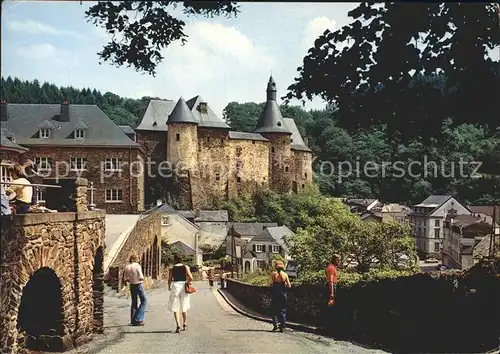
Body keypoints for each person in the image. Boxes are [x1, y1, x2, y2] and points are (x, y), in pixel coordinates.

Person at [168, 254, 194, 333]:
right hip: (183, 286)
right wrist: (188, 282)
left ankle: (178, 325)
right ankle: (185, 323)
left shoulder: (171, 268)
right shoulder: (186, 267)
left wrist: (169, 287)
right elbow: (191, 278)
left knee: (175, 306)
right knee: (184, 305)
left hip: (175, 286)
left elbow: (169, 279)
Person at [123, 255, 147, 326]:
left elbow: (125, 278)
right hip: (138, 285)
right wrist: (141, 279)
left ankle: (133, 320)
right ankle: (138, 318)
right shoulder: (137, 266)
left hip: (132, 285)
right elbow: (141, 277)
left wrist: (130, 279)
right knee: (144, 300)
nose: (138, 259)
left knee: (134, 302)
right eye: (137, 258)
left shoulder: (127, 267)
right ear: (134, 259)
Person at [269, 260, 291, 332]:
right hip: (283, 294)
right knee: (282, 310)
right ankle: (282, 326)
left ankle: (275, 324)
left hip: (275, 293)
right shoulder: (285, 275)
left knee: (274, 310)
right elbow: (289, 286)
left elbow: (270, 284)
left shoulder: (273, 274)